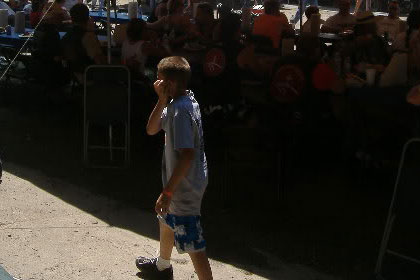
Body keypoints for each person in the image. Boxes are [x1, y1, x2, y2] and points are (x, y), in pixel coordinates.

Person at [136, 56, 213, 280]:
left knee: (192, 242)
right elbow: (151, 129)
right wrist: (160, 100)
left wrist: (168, 192)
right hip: (183, 181)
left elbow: (187, 155)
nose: (156, 83)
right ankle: (162, 266)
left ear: (169, 83)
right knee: (166, 219)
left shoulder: (180, 112)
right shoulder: (179, 101)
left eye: (159, 80)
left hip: (185, 186)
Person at [61, 3, 105, 82]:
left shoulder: (66, 36)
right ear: (88, 18)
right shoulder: (88, 37)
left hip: (72, 76)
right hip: (89, 77)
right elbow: (100, 63)